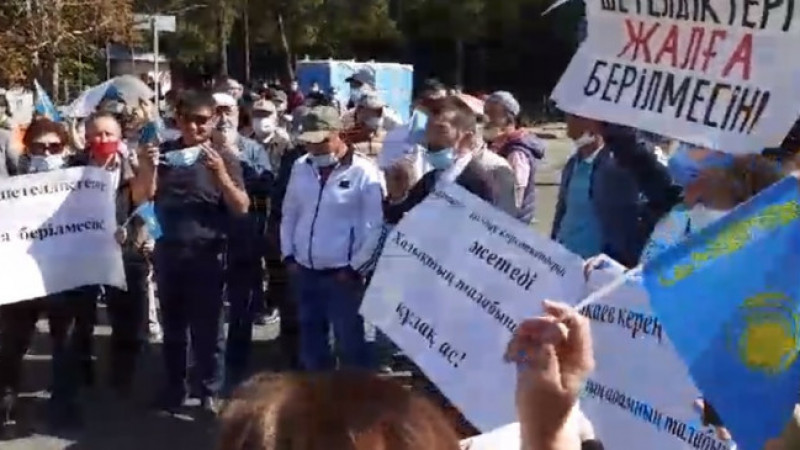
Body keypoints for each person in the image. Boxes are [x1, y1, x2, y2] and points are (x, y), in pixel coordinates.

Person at [132, 90, 249, 414]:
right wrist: (146, 166)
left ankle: (210, 390)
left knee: (209, 329)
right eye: (188, 120)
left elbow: (241, 208)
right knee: (173, 329)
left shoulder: (223, 157)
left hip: (208, 255)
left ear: (213, 121)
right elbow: (144, 199)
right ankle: (175, 388)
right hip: (170, 254)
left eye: (202, 121)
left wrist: (220, 175)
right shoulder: (165, 154)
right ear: (178, 121)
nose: (195, 127)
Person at [0, 119, 98, 430]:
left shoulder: (79, 184)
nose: (46, 152)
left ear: (65, 149)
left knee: (65, 345)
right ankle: (5, 402)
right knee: (12, 344)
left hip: (64, 278)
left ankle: (64, 407)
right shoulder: (10, 187)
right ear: (26, 150)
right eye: (39, 147)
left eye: (54, 147)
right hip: (21, 280)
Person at [280, 105, 384, 370]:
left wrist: (353, 269)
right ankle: (320, 403)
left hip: (342, 276)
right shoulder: (300, 166)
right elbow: (290, 212)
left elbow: (373, 227)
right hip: (305, 271)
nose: (316, 149)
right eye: (310, 143)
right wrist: (289, 255)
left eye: (322, 141)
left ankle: (357, 403)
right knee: (312, 346)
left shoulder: (364, 171)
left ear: (339, 134)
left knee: (350, 345)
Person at [78, 112, 152, 397]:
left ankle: (123, 375)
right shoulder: (74, 168)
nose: (103, 139)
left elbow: (146, 203)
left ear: (120, 137)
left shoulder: (131, 168)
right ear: (86, 139)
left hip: (125, 250)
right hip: (84, 252)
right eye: (97, 134)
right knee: (81, 315)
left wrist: (150, 239)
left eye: (109, 134)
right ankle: (82, 369)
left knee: (126, 316)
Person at [551, 114, 677, 267]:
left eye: (576, 119)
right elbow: (562, 211)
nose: (568, 130)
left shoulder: (618, 169)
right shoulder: (572, 164)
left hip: (594, 269)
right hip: (563, 262)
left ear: (595, 123)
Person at [212, 93, 276, 389]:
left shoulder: (252, 149)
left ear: (239, 115)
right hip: (209, 240)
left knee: (241, 308)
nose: (223, 117)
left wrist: (233, 158)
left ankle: (237, 368)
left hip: (245, 239)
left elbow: (265, 184)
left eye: (228, 111)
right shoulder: (196, 150)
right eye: (217, 111)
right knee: (209, 309)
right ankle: (211, 368)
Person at [384, 96, 499, 225]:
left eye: (441, 130)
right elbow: (397, 221)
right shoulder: (430, 180)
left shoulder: (479, 183)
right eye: (428, 129)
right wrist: (397, 196)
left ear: (466, 138)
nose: (431, 139)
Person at [484, 91, 545, 224]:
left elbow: (516, 193)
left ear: (509, 117)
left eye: (493, 113)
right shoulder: (498, 145)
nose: (487, 119)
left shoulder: (516, 151)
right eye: (486, 112)